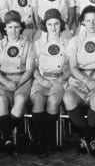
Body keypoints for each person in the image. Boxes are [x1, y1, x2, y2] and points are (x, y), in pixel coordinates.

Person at [63, 5, 95, 157]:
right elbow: (72, 67)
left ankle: (84, 139)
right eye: (88, 20)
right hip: (79, 79)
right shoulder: (75, 41)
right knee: (68, 98)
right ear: (82, 22)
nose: (91, 23)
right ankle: (90, 138)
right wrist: (86, 81)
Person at [0, 10, 35, 155]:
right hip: (2, 79)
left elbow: (29, 70)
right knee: (2, 101)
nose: (13, 31)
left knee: (21, 99)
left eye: (16, 27)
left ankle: (3, 138)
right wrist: (5, 81)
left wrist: (17, 83)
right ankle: (8, 139)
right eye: (10, 27)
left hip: (22, 79)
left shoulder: (28, 45)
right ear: (5, 28)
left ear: (21, 28)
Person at [30, 8, 71, 157]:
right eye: (50, 24)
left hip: (59, 80)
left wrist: (60, 79)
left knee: (53, 101)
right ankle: (42, 142)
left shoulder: (68, 42)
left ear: (61, 24)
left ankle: (42, 141)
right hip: (41, 80)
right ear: (45, 26)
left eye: (56, 24)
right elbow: (32, 67)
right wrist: (41, 79)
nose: (53, 27)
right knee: (38, 101)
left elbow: (71, 68)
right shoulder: (37, 43)